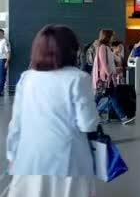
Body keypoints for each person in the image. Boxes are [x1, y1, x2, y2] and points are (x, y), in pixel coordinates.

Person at [6, 25, 99, 196]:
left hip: (29, 159)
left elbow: (16, 124)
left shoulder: (27, 78)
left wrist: (12, 154)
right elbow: (88, 124)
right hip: (68, 161)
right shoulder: (78, 78)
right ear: (72, 50)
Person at [93, 30, 134, 125]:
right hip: (106, 78)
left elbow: (114, 61)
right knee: (100, 98)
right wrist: (109, 74)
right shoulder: (103, 47)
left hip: (108, 77)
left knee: (113, 97)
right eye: (112, 36)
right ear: (107, 36)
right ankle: (123, 117)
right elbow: (103, 63)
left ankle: (123, 117)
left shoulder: (106, 48)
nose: (113, 38)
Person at [0, 29, 10, 96]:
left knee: (2, 76)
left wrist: (7, 62)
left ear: (3, 33)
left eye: (0, 33)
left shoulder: (5, 41)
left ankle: (0, 91)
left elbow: (8, 52)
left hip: (3, 60)